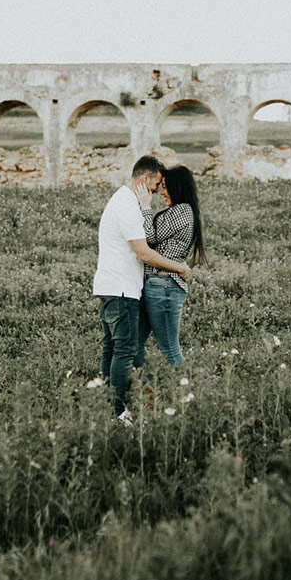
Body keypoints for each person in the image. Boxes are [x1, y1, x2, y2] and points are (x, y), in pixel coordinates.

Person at [90, 156, 189, 426]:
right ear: (145, 180)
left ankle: (109, 404)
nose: (157, 191)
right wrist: (179, 267)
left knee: (111, 349)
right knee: (124, 350)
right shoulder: (128, 206)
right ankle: (119, 413)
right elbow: (144, 252)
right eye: (157, 184)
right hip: (121, 289)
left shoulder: (122, 200)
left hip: (111, 285)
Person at [140, 164, 204, 379]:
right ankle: (150, 390)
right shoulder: (183, 210)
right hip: (159, 285)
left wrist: (145, 207)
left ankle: (182, 394)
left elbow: (150, 238)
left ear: (178, 187)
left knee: (169, 348)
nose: (161, 192)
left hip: (164, 285)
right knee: (134, 343)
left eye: (166, 187)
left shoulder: (181, 210)